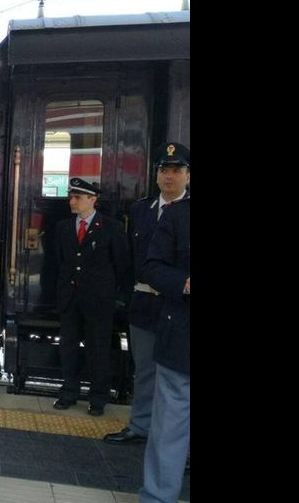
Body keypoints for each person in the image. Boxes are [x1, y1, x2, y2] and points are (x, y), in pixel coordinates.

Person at [105, 143, 190, 444]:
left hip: (179, 306)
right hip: (143, 301)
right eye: (164, 171)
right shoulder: (140, 210)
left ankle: (180, 442)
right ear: (156, 176)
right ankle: (140, 426)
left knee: (180, 375)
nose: (169, 176)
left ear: (188, 176)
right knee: (144, 369)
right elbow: (129, 257)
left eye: (176, 170)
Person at [52, 178, 129, 416]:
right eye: (71, 197)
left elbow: (122, 265)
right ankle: (69, 392)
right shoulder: (63, 227)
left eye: (77, 197)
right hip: (70, 299)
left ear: (92, 199)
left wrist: (119, 298)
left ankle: (98, 397)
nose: (72, 202)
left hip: (98, 301)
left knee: (98, 348)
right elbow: (58, 263)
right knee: (68, 347)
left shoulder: (111, 227)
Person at [138, 194, 190, 503]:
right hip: (182, 335)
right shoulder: (177, 216)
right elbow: (152, 268)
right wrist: (185, 283)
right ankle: (157, 498)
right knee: (169, 426)